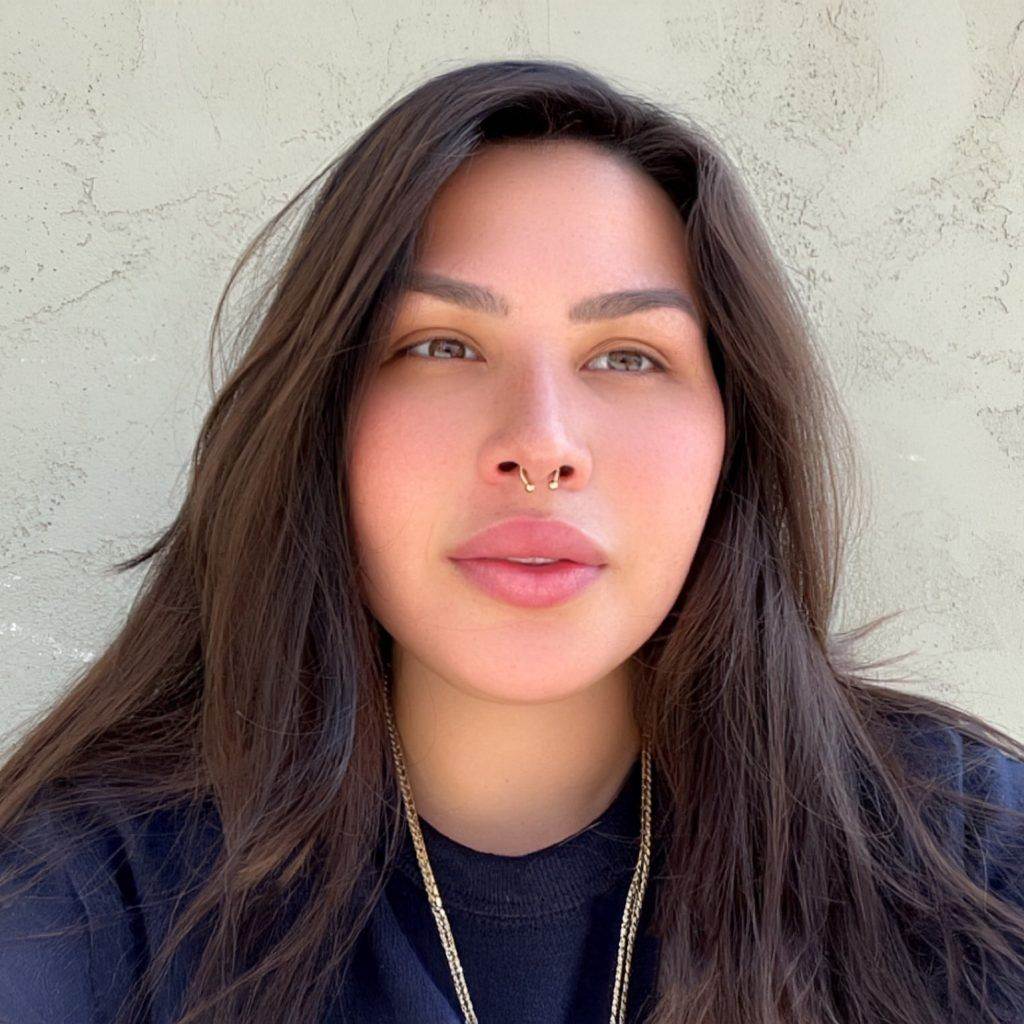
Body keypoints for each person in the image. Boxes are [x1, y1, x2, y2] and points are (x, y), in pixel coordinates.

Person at [1, 58, 1022, 1024]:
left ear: (733, 436)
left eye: (626, 355)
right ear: (324, 418)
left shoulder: (964, 857)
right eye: (441, 345)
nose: (541, 442)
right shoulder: (90, 895)